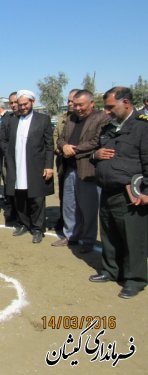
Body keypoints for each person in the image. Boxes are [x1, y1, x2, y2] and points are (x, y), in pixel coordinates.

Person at [89, 87, 148, 299]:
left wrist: (146, 192)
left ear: (126, 103)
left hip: (130, 194)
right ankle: (111, 270)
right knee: (109, 234)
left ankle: (135, 280)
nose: (107, 111)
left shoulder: (142, 127)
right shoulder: (108, 128)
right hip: (106, 190)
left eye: (110, 107)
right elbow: (93, 154)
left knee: (133, 238)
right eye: (105, 107)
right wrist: (96, 155)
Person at [54, 90, 108, 251]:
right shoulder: (71, 119)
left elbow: (97, 141)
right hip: (69, 168)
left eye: (80, 105)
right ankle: (70, 235)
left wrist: (75, 149)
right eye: (75, 104)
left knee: (88, 206)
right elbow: (60, 138)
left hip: (88, 169)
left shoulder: (101, 119)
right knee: (69, 204)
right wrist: (64, 146)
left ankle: (88, 239)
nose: (77, 108)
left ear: (92, 103)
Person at [0, 90, 54, 244]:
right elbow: (2, 141)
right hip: (16, 165)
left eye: (25, 104)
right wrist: (9, 153)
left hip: (35, 165)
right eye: (20, 104)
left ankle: (37, 228)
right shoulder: (12, 120)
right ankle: (23, 223)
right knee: (19, 197)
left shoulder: (43, 119)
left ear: (32, 102)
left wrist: (49, 165)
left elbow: (49, 145)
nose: (22, 107)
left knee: (36, 199)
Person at [53, 89, 80, 232]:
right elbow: (56, 138)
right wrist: (62, 149)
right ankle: (64, 221)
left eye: (72, 101)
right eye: (68, 101)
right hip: (63, 162)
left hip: (81, 163)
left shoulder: (87, 119)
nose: (70, 104)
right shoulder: (62, 118)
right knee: (65, 194)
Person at [0, 92, 19, 227]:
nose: (13, 105)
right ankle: (13, 213)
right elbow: (2, 140)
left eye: (15, 102)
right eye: (11, 103)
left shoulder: (32, 119)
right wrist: (10, 153)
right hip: (10, 160)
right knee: (10, 188)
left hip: (27, 161)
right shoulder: (7, 119)